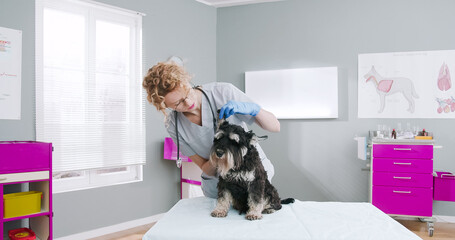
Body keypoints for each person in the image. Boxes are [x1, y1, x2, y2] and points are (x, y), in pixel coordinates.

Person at [142, 60, 280, 198]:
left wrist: (254, 109)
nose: (189, 103)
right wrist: (220, 155)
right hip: (219, 188)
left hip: (253, 177)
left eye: (188, 93)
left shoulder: (223, 92)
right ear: (165, 106)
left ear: (187, 82)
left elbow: (275, 126)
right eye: (178, 103)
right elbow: (205, 168)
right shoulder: (174, 125)